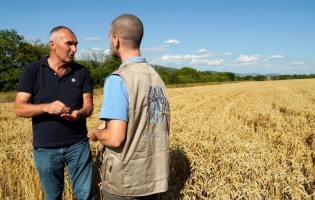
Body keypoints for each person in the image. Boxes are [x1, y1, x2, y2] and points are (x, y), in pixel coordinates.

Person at [87, 14, 170, 200]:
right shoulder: (156, 76)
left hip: (127, 182)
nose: (110, 41)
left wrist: (96, 133)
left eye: (109, 37)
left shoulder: (118, 79)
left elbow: (115, 139)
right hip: (153, 177)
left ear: (116, 39)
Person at [14, 26, 95, 200]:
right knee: (52, 197)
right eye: (69, 44)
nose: (74, 49)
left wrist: (79, 114)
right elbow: (19, 108)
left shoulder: (82, 72)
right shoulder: (33, 70)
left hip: (78, 145)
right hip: (45, 148)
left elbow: (88, 107)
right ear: (53, 45)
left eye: (76, 44)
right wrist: (47, 107)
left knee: (86, 196)